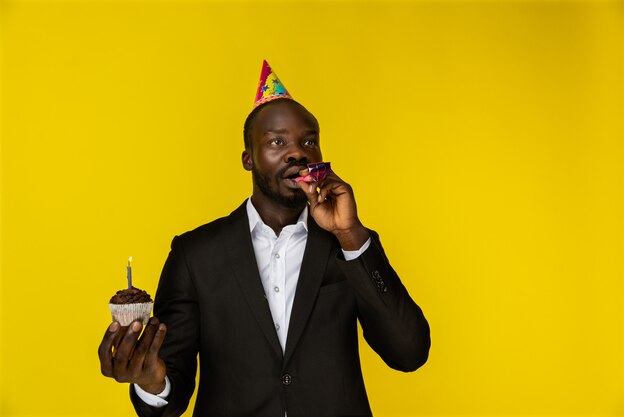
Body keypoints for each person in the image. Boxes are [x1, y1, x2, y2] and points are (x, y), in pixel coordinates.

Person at [99, 60, 430, 417]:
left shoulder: (346, 245)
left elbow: (409, 353)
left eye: (308, 142)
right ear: (248, 158)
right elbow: (169, 389)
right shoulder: (195, 254)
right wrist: (152, 383)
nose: (297, 152)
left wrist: (350, 234)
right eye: (276, 141)